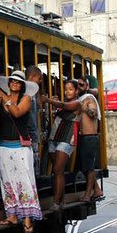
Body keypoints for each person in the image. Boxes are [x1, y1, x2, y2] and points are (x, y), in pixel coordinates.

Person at [0, 70, 42, 233]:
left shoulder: (26, 98)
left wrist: (4, 97)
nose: (14, 84)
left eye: (18, 82)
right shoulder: (3, 98)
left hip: (20, 147)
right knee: (7, 182)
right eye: (12, 81)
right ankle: (12, 215)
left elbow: (17, 112)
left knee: (25, 182)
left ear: (22, 85)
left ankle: (27, 218)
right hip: (4, 145)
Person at [41, 80, 81, 210]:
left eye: (70, 89)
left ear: (76, 91)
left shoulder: (77, 103)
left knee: (58, 170)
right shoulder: (60, 103)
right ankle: (61, 200)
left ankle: (56, 203)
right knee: (57, 172)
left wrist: (48, 100)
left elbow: (64, 105)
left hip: (67, 139)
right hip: (54, 138)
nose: (68, 91)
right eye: (66, 89)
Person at [76, 76, 105, 202]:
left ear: (87, 87)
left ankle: (88, 193)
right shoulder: (80, 99)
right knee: (84, 167)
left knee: (89, 167)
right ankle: (97, 190)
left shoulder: (89, 99)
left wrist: (85, 108)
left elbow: (92, 113)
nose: (79, 87)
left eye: (81, 85)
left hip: (90, 138)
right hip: (83, 137)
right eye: (77, 85)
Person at [25, 65, 43, 177]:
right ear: (32, 77)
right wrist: (34, 136)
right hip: (30, 135)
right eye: (39, 78)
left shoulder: (33, 92)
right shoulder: (29, 93)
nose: (40, 81)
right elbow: (31, 119)